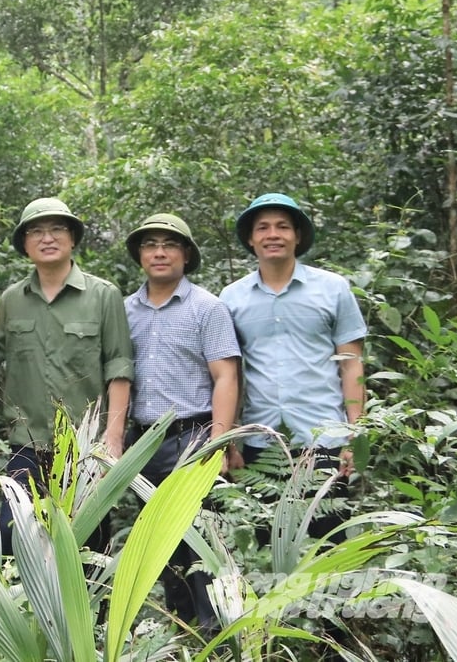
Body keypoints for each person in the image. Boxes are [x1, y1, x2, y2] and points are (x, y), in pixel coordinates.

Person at [0, 197, 133, 555]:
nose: (47, 238)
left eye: (57, 229)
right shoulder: (13, 299)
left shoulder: (103, 296)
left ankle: (90, 613)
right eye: (36, 231)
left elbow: (119, 368)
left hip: (84, 450)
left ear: (72, 238)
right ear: (25, 245)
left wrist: (113, 439)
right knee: (13, 543)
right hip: (27, 444)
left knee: (86, 549)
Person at [219, 192, 367, 541]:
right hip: (261, 443)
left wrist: (355, 437)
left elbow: (352, 366)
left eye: (283, 226)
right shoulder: (231, 298)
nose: (274, 234)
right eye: (263, 227)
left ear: (297, 236)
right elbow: (232, 375)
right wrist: (232, 440)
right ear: (250, 239)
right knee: (268, 546)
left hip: (325, 440)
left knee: (328, 549)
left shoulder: (333, 289)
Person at [123, 212, 240, 630]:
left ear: (186, 255)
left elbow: (225, 375)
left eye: (169, 244)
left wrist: (220, 443)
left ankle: (215, 634)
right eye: (150, 244)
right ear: (139, 254)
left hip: (193, 438)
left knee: (201, 542)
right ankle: (181, 627)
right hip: (144, 444)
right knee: (159, 543)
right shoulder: (125, 310)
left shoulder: (207, 307)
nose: (159, 252)